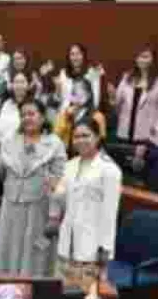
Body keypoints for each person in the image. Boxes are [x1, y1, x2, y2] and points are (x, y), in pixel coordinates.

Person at [0, 100, 66, 276]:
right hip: (11, 204)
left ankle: (35, 290)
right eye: (23, 115)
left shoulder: (54, 143)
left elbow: (59, 182)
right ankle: (7, 286)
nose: (27, 118)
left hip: (39, 207)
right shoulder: (10, 140)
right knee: (9, 247)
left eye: (31, 114)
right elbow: (1, 173)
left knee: (36, 250)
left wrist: (54, 214)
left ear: (42, 117)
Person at [49, 118, 122, 289]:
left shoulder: (109, 169)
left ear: (97, 137)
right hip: (67, 242)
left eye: (86, 135)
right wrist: (52, 188)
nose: (80, 140)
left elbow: (110, 214)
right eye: (76, 136)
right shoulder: (69, 165)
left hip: (92, 246)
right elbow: (61, 198)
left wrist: (105, 250)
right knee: (62, 297)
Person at [109, 45, 158, 144]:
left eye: (146, 57)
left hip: (148, 134)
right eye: (139, 57)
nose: (142, 60)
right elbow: (117, 104)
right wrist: (112, 96)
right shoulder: (127, 77)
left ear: (153, 59)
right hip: (125, 131)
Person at [53, 78, 107, 154]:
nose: (75, 94)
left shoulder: (98, 116)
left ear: (88, 94)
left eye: (80, 90)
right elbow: (56, 135)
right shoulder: (67, 113)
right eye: (74, 91)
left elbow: (101, 143)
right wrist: (66, 117)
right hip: (68, 155)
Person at [57, 43, 105, 114]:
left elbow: (95, 99)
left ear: (83, 55)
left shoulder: (92, 72)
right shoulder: (63, 73)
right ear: (69, 57)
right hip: (66, 112)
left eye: (78, 54)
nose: (75, 57)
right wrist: (58, 90)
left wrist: (77, 103)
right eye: (72, 54)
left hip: (86, 113)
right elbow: (63, 96)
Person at [0, 71, 36, 144]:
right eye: (16, 82)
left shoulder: (34, 105)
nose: (19, 85)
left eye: (22, 82)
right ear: (12, 85)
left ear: (28, 85)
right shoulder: (7, 104)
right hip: (6, 147)